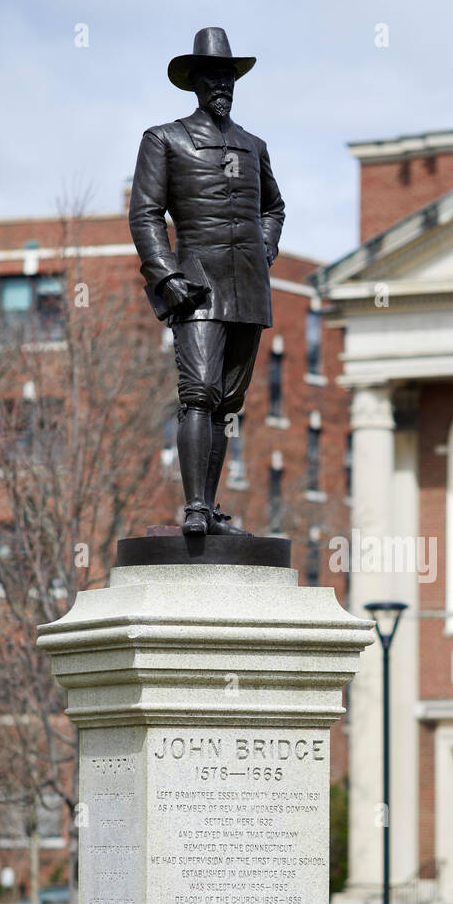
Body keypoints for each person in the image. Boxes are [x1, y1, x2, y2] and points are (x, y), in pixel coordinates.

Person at [130, 27, 285, 535]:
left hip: (249, 289)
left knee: (227, 403)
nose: (222, 84)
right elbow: (147, 213)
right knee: (198, 391)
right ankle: (194, 508)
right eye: (213, 76)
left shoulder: (253, 145)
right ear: (195, 83)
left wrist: (266, 248)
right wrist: (165, 273)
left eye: (228, 76)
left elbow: (274, 207)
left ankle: (211, 508)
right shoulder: (165, 140)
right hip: (197, 285)